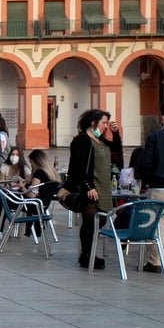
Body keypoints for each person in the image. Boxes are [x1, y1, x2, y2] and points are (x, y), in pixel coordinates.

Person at [67, 108, 113, 270]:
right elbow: (79, 167)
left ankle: (90, 252)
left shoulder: (100, 139)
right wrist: (88, 186)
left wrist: (116, 134)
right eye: (103, 123)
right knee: (90, 220)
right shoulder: (82, 140)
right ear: (93, 122)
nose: (105, 126)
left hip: (103, 185)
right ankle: (86, 254)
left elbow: (115, 153)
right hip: (90, 187)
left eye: (107, 123)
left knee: (101, 219)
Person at [138, 101, 164, 274]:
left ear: (163, 117)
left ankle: (155, 261)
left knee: (157, 223)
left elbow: (146, 163)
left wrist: (147, 180)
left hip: (159, 187)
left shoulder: (155, 137)